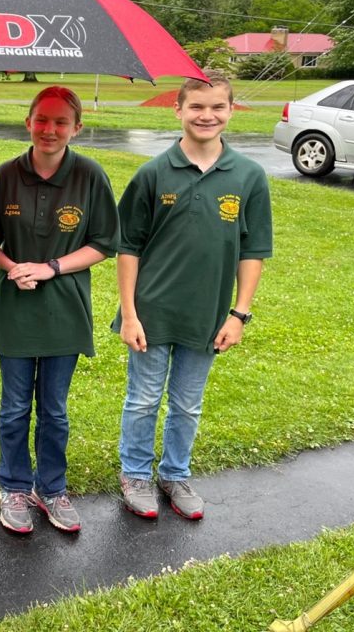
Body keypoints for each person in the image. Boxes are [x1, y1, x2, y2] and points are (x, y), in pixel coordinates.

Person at [114, 71, 272, 521]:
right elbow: (128, 247)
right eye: (197, 106)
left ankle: (175, 473)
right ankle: (136, 474)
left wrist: (239, 314)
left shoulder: (248, 176)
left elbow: (254, 251)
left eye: (217, 106)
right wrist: (129, 314)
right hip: (152, 311)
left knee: (187, 402)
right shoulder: (152, 173)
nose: (207, 115)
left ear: (230, 110)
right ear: (178, 109)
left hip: (207, 315)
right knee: (143, 398)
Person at [0, 86, 119, 534]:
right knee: (15, 406)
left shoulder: (91, 176)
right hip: (15, 308)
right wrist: (12, 265)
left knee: (55, 409)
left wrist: (50, 267)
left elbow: (104, 243)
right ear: (28, 122)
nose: (50, 129)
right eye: (42, 119)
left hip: (65, 309)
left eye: (61, 122)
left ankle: (51, 488)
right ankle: (14, 486)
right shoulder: (4, 176)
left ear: (76, 128)